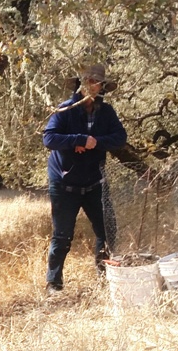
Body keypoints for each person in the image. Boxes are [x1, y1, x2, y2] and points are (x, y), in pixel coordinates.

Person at [42, 63, 128, 292]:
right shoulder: (66, 109)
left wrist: (95, 142)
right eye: (89, 81)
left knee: (107, 231)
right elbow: (49, 139)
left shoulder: (106, 112)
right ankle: (53, 283)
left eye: (97, 82)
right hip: (64, 184)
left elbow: (120, 137)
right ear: (81, 84)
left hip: (95, 183)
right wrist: (77, 140)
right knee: (62, 236)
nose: (94, 86)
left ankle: (104, 278)